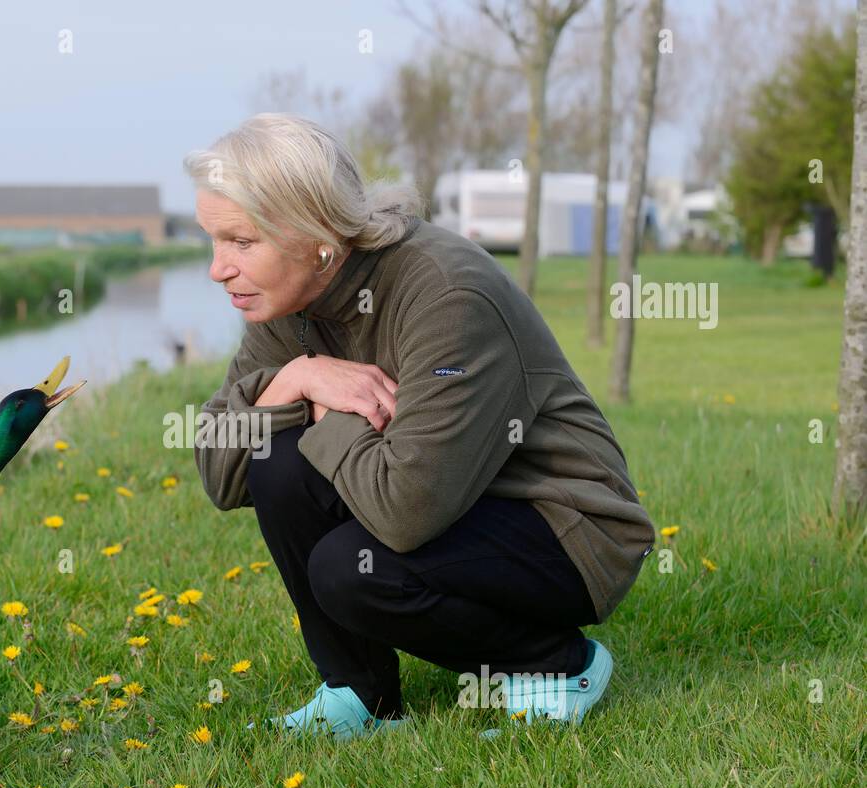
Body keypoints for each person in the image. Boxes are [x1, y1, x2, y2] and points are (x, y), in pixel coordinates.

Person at [185, 114, 656, 739]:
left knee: (347, 568)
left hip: (563, 527)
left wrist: (324, 411)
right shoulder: (286, 306)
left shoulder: (446, 294)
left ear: (316, 236)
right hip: (455, 508)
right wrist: (297, 380)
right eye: (213, 241)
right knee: (277, 462)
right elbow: (223, 472)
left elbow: (408, 509)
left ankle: (556, 666)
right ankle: (360, 695)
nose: (219, 269)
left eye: (241, 243)